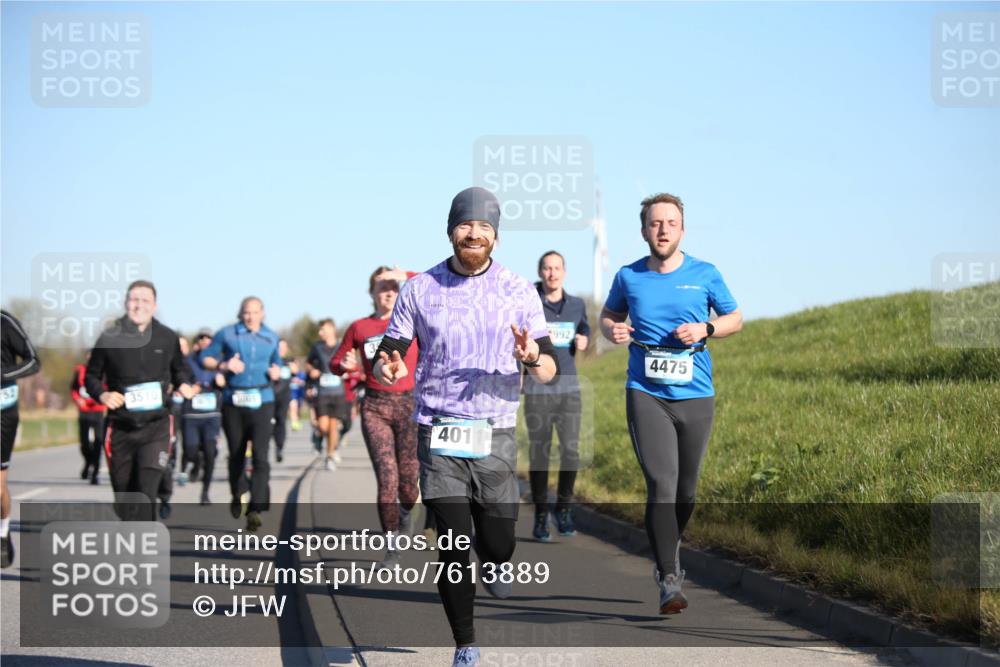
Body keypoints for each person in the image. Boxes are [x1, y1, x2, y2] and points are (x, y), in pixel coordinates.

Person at [373, 187, 558, 667]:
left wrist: (531, 355)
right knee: (454, 545)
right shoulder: (420, 289)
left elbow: (548, 367)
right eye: (465, 225)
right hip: (438, 430)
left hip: (495, 430)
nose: (473, 234)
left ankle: (495, 561)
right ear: (450, 230)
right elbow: (389, 350)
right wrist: (386, 366)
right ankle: (465, 644)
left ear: (496, 236)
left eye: (484, 227)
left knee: (497, 543)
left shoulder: (518, 290)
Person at [600, 192, 742, 614]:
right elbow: (609, 316)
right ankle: (668, 577)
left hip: (696, 394)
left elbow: (735, 318)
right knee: (662, 483)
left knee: (686, 491)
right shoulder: (629, 276)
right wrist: (612, 331)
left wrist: (706, 328)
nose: (663, 230)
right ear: (644, 230)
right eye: (655, 223)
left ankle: (668, 547)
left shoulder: (705, 273)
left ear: (682, 229)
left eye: (671, 223)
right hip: (646, 393)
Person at [332, 265, 419, 567]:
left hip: (409, 405)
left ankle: (406, 512)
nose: (389, 293)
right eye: (382, 287)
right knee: (387, 478)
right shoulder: (359, 327)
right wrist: (343, 365)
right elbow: (336, 361)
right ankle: (392, 547)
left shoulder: (413, 321)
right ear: (371, 293)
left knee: (409, 484)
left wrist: (406, 275)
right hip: (375, 407)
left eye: (394, 287)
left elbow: (433, 284)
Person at [85, 281, 194, 522]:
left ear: (154, 305)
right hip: (121, 427)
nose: (139, 305)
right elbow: (91, 376)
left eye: (145, 301)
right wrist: (103, 395)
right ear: (126, 303)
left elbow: (180, 370)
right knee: (125, 498)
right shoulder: (109, 337)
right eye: (134, 300)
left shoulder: (167, 337)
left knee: (146, 490)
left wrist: (184, 383)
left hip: (156, 426)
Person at [200, 296, 283, 531]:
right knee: (236, 453)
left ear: (262, 313)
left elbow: (277, 363)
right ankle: (237, 493)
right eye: (246, 312)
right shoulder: (226, 334)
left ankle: (256, 508)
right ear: (240, 313)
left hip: (262, 399)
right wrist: (223, 366)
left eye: (255, 312)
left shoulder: (271, 336)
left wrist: (277, 371)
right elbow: (205, 358)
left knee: (260, 456)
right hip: (233, 401)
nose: (250, 317)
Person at [524, 251, 590, 541]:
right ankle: (541, 513)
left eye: (557, 268)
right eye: (547, 268)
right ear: (540, 272)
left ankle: (563, 509)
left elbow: (584, 327)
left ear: (564, 272)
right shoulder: (529, 303)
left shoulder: (577, 305)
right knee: (540, 452)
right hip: (538, 389)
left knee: (571, 452)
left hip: (569, 390)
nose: (552, 273)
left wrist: (584, 338)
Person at [1, 310, 41, 568]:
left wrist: (2, 375)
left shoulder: (4, 322)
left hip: (2, 413)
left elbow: (33, 361)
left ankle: (3, 530)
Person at [183, 330, 225, 505]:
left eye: (209, 339)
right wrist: (189, 387)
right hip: (191, 414)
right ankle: (196, 462)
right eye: (202, 338)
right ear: (197, 343)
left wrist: (223, 382)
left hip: (211, 415)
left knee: (210, 453)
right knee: (190, 451)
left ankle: (205, 492)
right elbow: (179, 378)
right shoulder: (188, 361)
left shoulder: (219, 362)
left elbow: (230, 381)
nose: (206, 341)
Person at [306, 320, 349, 471]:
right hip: (322, 392)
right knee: (323, 426)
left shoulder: (342, 345)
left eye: (323, 330)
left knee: (333, 426)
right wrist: (312, 370)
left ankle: (330, 455)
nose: (320, 333)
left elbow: (350, 361)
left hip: (338, 392)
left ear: (332, 329)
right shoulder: (316, 347)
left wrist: (347, 368)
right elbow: (308, 363)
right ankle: (319, 436)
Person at [71, 352, 106, 485]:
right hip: (84, 411)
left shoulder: (104, 372)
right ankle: (88, 462)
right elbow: (73, 388)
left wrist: (105, 399)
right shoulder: (80, 370)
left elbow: (109, 387)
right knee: (84, 443)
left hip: (98, 410)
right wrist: (77, 399)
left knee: (98, 441)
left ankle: (95, 472)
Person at [271, 339, 296, 463]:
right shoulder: (271, 360)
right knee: (268, 422)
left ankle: (279, 447)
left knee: (281, 421)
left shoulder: (289, 361)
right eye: (279, 347)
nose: (281, 349)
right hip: (270, 396)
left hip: (284, 397)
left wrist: (293, 367)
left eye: (284, 347)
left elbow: (296, 372)